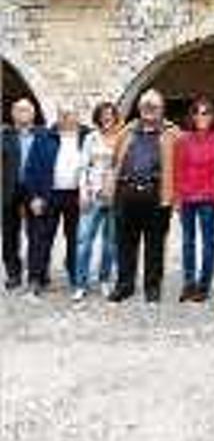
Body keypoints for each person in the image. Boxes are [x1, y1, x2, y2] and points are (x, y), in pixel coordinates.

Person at [109, 89, 179, 303]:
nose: (149, 110)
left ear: (162, 109)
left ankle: (152, 287)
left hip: (157, 196)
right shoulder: (126, 131)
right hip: (126, 194)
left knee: (155, 244)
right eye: (146, 106)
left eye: (154, 106)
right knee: (124, 244)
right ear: (139, 109)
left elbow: (182, 166)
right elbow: (115, 161)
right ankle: (125, 285)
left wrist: (177, 197)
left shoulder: (173, 133)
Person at [23, 102, 90, 296]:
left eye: (71, 114)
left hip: (77, 195)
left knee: (76, 238)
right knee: (41, 238)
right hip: (49, 195)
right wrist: (34, 196)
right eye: (63, 114)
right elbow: (31, 168)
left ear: (78, 116)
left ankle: (76, 275)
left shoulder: (87, 136)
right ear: (58, 116)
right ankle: (37, 277)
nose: (67, 118)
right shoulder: (44, 136)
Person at [175, 97, 214, 303]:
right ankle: (189, 283)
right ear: (192, 116)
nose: (201, 116)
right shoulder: (184, 140)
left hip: (209, 196)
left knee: (208, 243)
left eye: (206, 112)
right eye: (197, 112)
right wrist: (177, 197)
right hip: (187, 195)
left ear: (212, 116)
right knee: (188, 242)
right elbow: (178, 169)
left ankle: (203, 285)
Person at [73, 101, 122, 301]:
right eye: (103, 114)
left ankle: (104, 279)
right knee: (84, 241)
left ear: (115, 117)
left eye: (110, 114)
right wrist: (83, 193)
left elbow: (122, 166)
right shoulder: (90, 138)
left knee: (110, 242)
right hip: (92, 195)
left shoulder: (121, 137)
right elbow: (83, 167)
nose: (107, 117)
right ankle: (80, 283)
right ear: (98, 117)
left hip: (115, 196)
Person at [2, 98, 42, 292]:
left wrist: (42, 194)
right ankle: (13, 274)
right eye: (19, 110)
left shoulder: (43, 135)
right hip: (9, 189)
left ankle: (35, 276)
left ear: (33, 114)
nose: (23, 113)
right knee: (9, 235)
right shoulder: (4, 135)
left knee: (36, 234)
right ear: (13, 114)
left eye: (26, 110)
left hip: (34, 190)